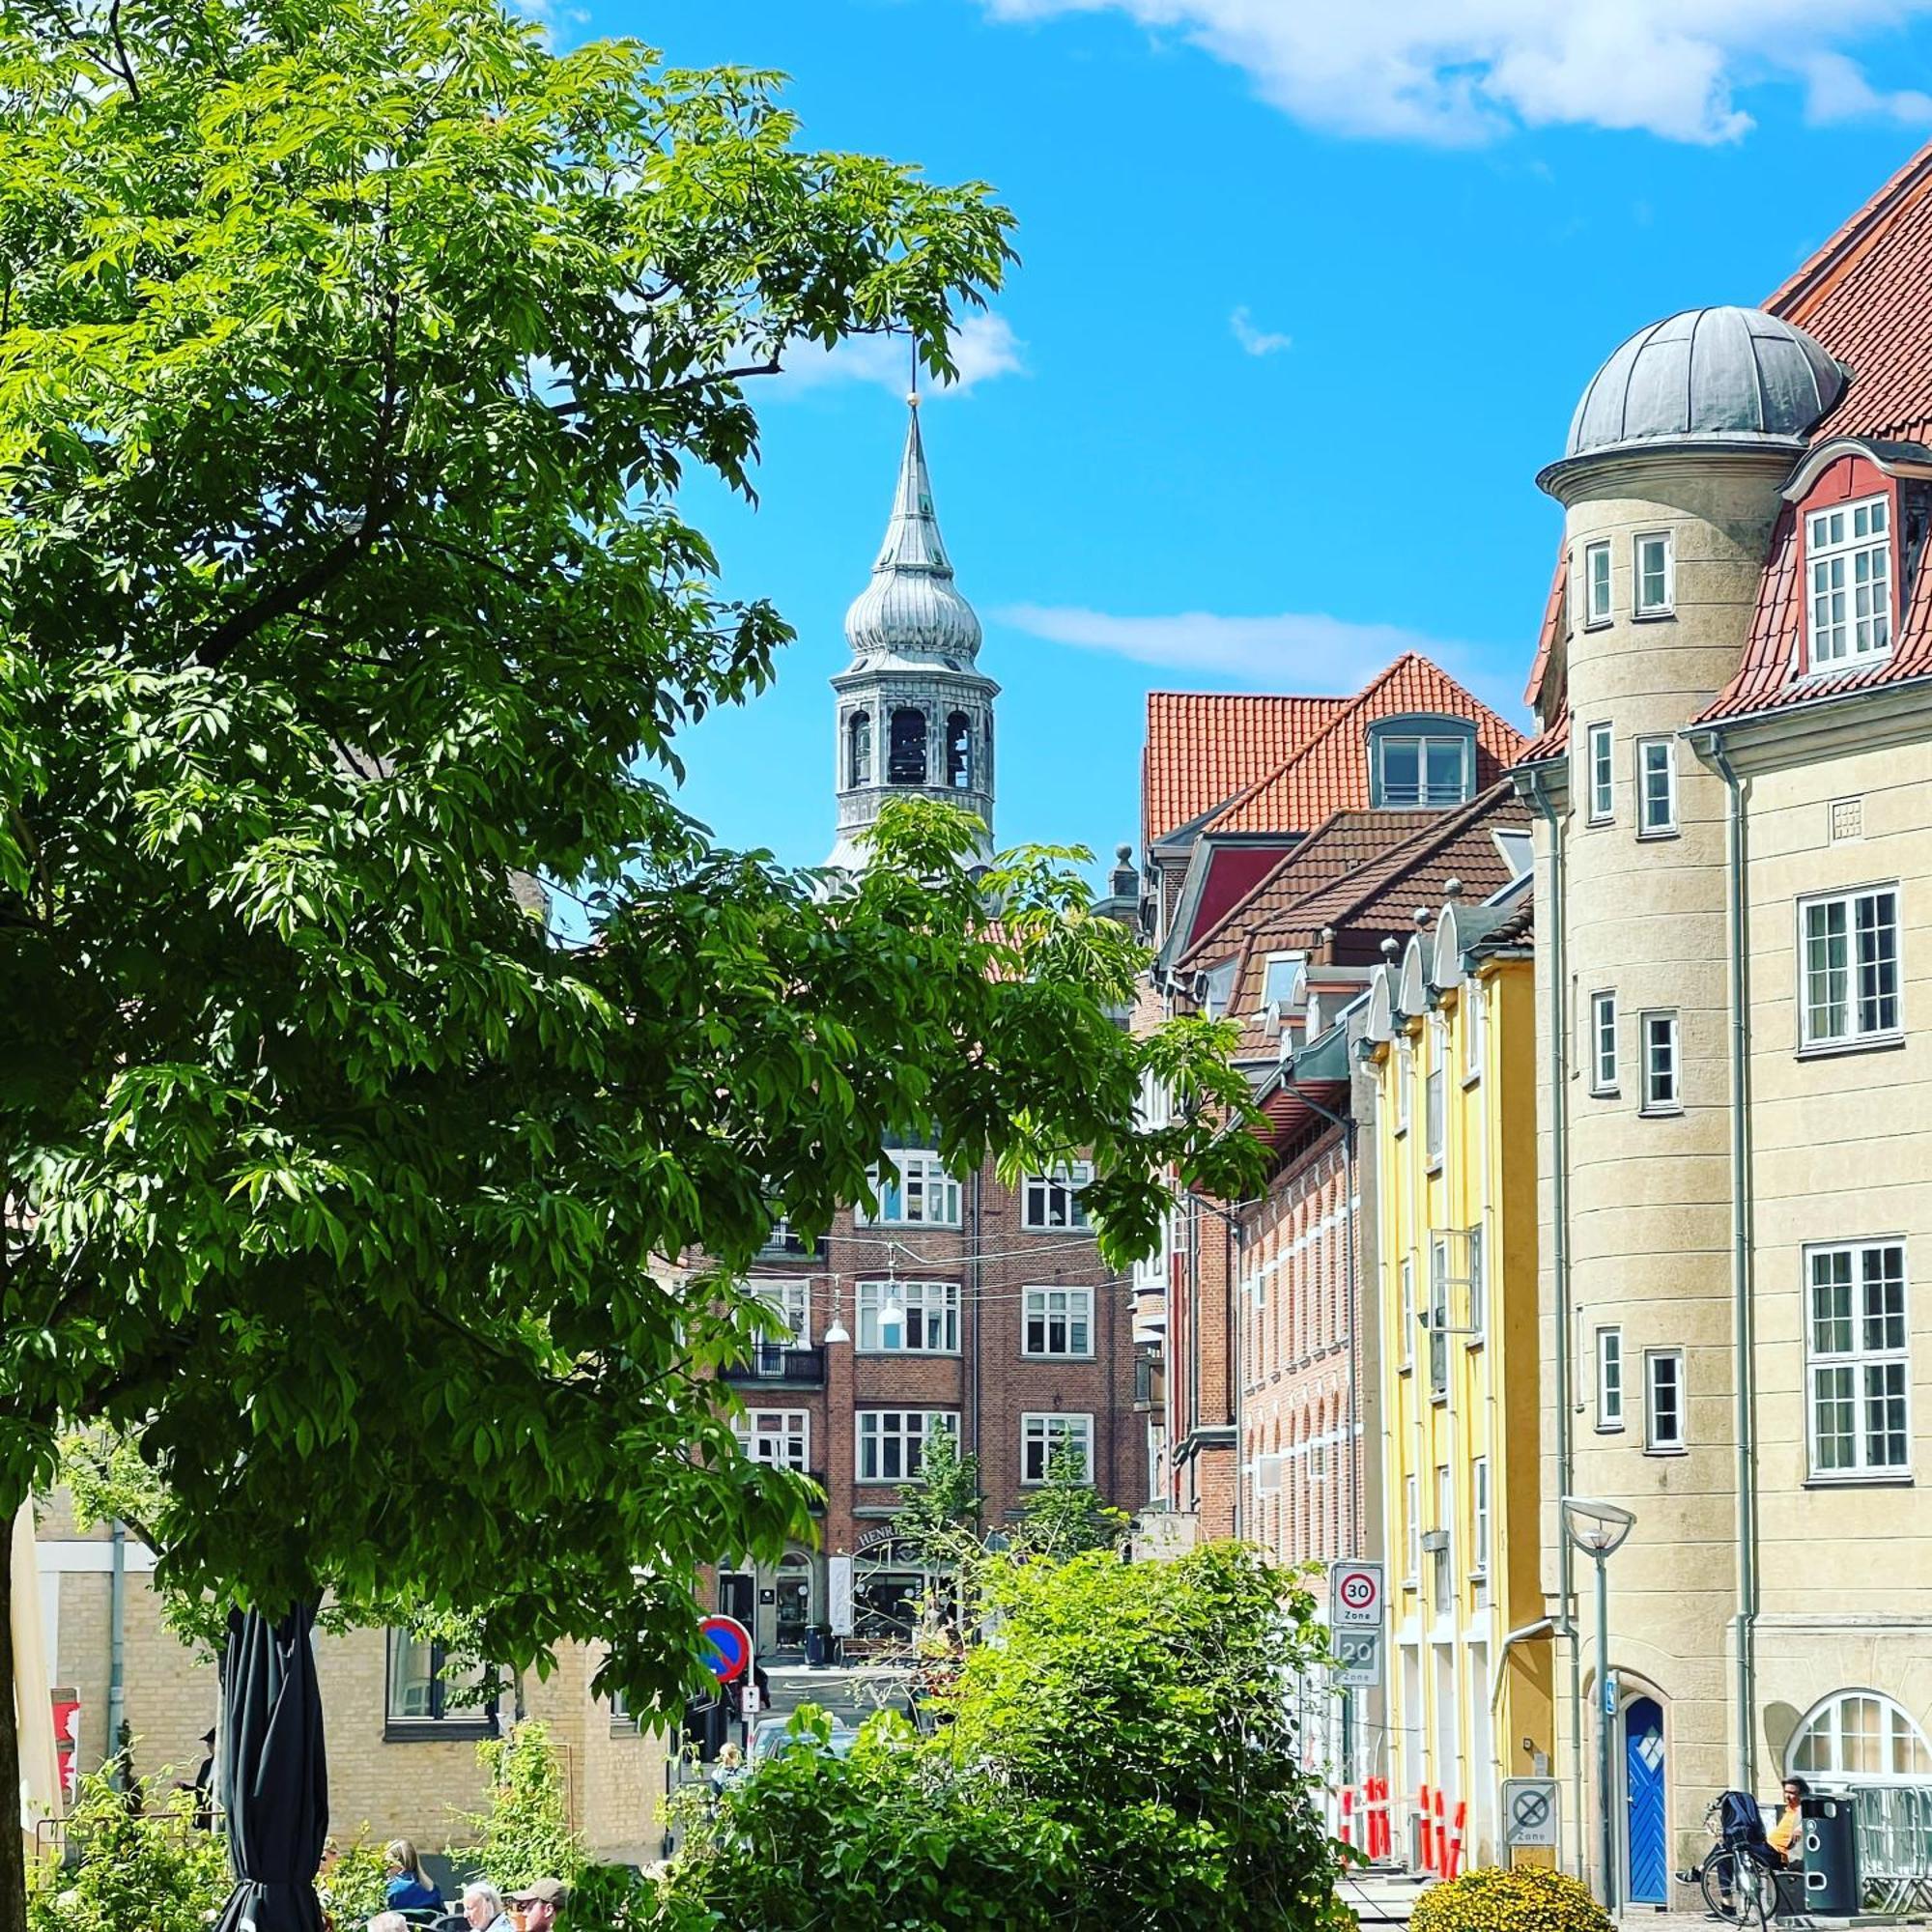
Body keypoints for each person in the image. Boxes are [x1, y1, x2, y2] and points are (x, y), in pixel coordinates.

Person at [384, 1839, 441, 1914]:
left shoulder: (389, 1890)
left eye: (388, 1864)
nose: (385, 1868)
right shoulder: (433, 1890)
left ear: (400, 1864)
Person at [175, 1726, 216, 1831]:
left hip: (218, 1814)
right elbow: (200, 1790)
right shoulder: (207, 1765)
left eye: (211, 1743)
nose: (208, 1746)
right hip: (205, 1816)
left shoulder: (228, 1765)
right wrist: (185, 1788)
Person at [1768, 1776, 1809, 1865]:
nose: (1787, 1796)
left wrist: (1803, 1826)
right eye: (1786, 1792)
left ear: (1802, 1795)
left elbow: (1815, 1819)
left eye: (1792, 1793)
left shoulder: (1804, 1809)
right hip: (1769, 1849)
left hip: (1778, 1856)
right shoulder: (1789, 1809)